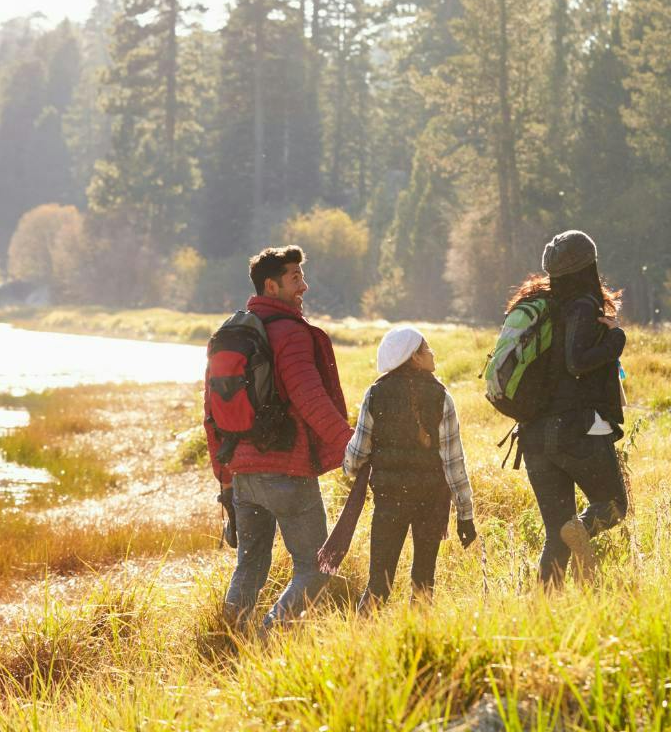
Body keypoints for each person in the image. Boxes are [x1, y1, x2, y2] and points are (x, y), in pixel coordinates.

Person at [204, 245, 353, 632]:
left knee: (250, 566)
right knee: (317, 566)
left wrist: (224, 475)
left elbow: (211, 414)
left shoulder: (230, 335)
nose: (304, 286)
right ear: (271, 285)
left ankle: (229, 642)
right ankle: (271, 635)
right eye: (295, 278)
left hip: (243, 475)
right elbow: (310, 397)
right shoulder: (289, 334)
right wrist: (352, 444)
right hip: (287, 470)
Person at [513, 230, 629, 585]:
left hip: (532, 434)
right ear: (589, 266)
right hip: (574, 430)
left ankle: (546, 612)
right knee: (612, 508)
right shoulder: (582, 305)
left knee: (556, 533)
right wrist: (616, 339)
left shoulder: (541, 307)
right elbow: (577, 361)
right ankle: (577, 529)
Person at [343, 326, 477, 610]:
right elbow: (454, 464)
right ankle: (417, 641)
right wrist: (465, 515)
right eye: (427, 349)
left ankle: (362, 640)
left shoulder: (375, 394)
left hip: (389, 501)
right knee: (423, 581)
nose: (432, 353)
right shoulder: (442, 396)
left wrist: (351, 467)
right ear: (414, 357)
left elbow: (355, 457)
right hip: (432, 501)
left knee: (378, 584)